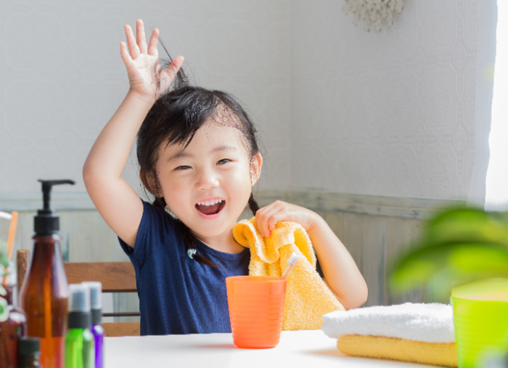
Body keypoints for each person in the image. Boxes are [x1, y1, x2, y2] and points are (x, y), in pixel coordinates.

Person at [83, 19, 368, 336]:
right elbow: (100, 176)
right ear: (153, 182)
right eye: (183, 167)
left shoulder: (274, 252)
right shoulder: (159, 241)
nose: (207, 181)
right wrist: (140, 96)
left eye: (223, 161)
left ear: (253, 168)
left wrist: (315, 224)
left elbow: (349, 298)